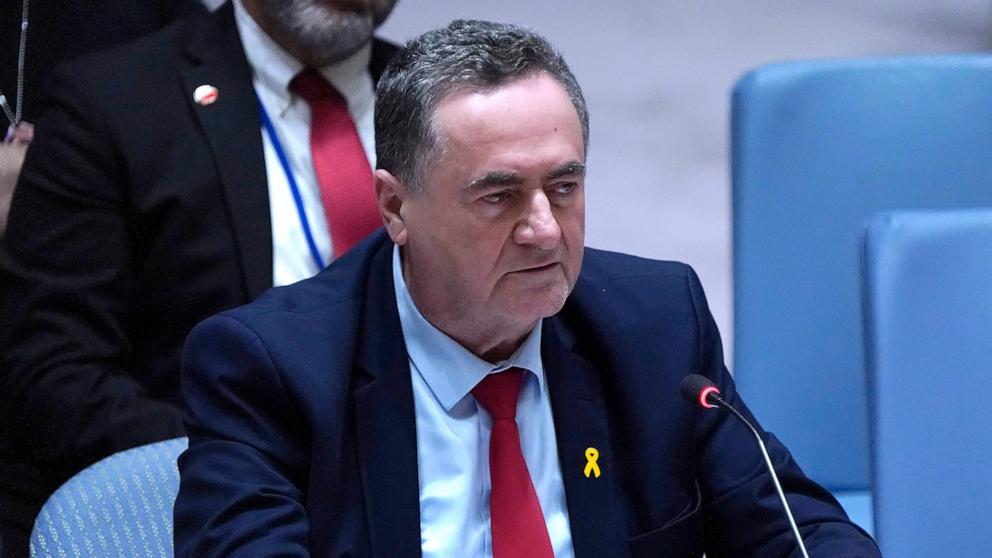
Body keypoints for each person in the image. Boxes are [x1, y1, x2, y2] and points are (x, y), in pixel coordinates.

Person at [174, 19, 881, 558]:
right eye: (500, 196)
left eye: (564, 187)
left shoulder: (654, 324)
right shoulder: (270, 369)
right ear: (395, 209)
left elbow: (791, 524)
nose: (544, 230)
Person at [0, 0, 397, 555]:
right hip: (201, 507)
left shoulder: (449, 106)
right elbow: (51, 373)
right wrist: (242, 452)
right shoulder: (110, 101)